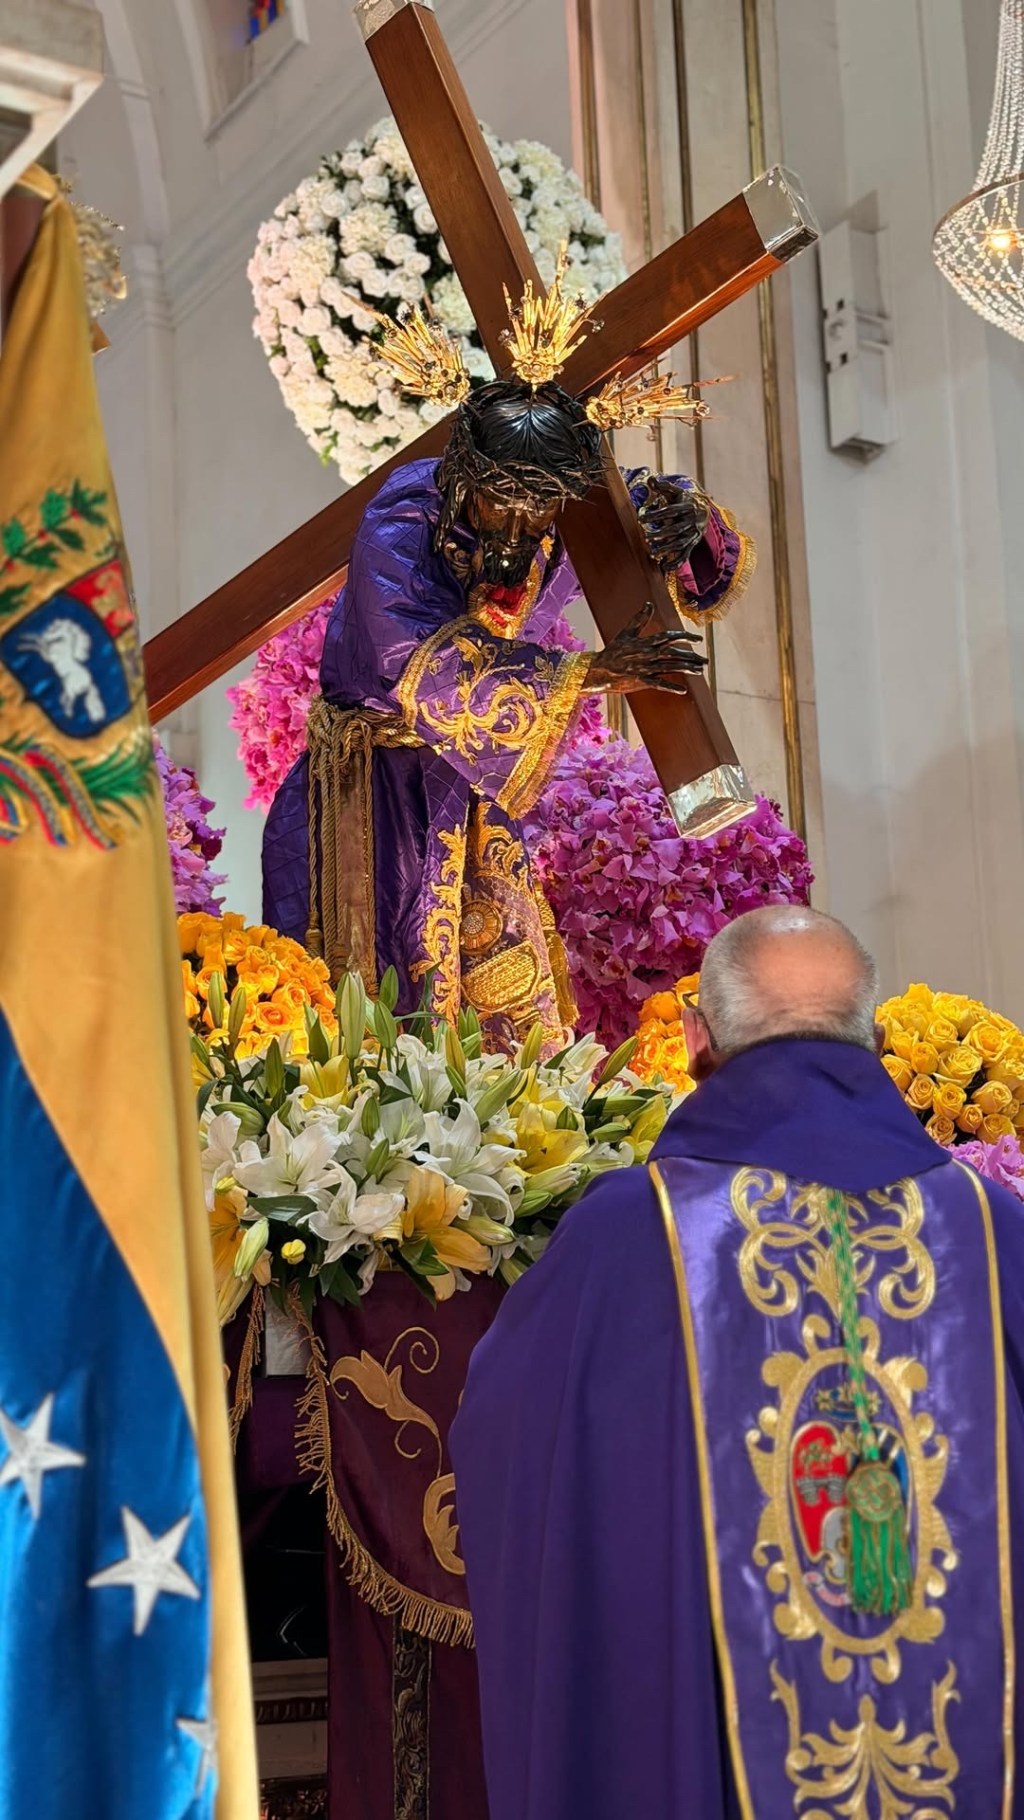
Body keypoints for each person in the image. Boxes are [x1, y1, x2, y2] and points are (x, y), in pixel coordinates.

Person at [450, 906, 1024, 1818]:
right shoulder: (993, 1236)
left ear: (694, 1040)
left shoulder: (626, 1238)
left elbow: (506, 1445)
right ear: (872, 1040)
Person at [262, 279, 754, 1055]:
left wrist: (687, 525)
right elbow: (405, 656)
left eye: (541, 506)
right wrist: (591, 675)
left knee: (502, 1022)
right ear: (463, 470)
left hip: (479, 794)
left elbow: (698, 566)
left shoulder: (572, 506)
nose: (520, 524)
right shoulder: (406, 512)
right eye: (500, 501)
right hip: (373, 800)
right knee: (369, 1022)